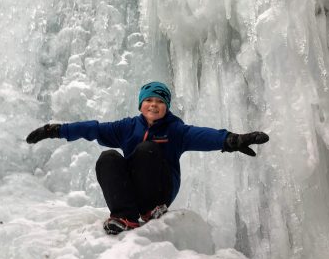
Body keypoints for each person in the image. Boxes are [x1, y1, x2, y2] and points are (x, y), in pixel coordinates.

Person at [26, 81, 269, 235]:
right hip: (133, 191)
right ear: (141, 103)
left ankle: (153, 209)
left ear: (167, 106)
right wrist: (56, 130)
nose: (154, 105)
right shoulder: (126, 127)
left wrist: (232, 140)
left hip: (160, 193)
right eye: (149, 100)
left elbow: (202, 135)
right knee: (107, 157)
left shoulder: (175, 130)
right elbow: (94, 129)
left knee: (146, 150)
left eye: (160, 101)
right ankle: (124, 217)